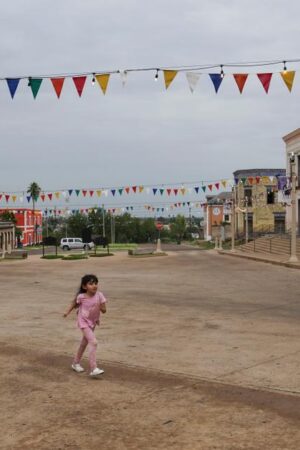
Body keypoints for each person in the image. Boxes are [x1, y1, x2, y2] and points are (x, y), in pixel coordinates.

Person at [63, 274, 107, 377]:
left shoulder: (100, 295)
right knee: (94, 342)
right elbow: (74, 304)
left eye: (96, 283)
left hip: (92, 322)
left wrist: (100, 306)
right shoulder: (81, 297)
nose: (94, 285)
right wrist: (67, 312)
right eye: (91, 284)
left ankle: (75, 363)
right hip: (83, 321)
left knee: (84, 343)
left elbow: (104, 310)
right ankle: (93, 368)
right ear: (84, 287)